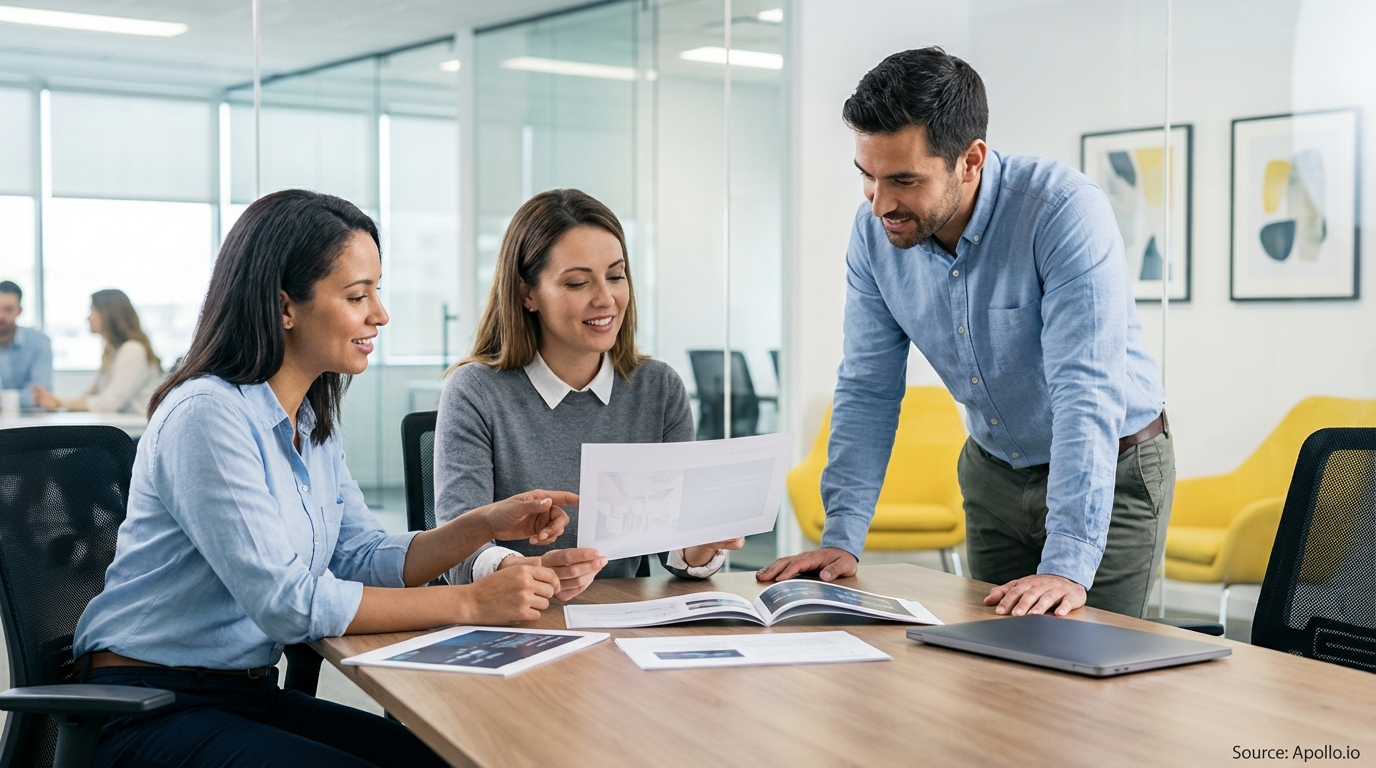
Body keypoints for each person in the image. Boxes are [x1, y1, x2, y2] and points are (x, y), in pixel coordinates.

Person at [73, 189, 570, 767]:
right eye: (358, 295)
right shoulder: (206, 416)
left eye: (376, 292)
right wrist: (471, 604)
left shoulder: (310, 419)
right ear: (285, 306)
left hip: (244, 694)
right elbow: (288, 604)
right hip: (147, 707)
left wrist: (481, 524)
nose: (379, 314)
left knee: (445, 758)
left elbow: (356, 553)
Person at [756, 47, 1172, 619]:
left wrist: (1067, 564)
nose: (880, 204)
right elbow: (867, 387)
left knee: (1096, 676)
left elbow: (1086, 391)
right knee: (992, 675)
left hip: (1113, 470)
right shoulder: (875, 233)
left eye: (903, 180)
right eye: (868, 178)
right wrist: (842, 537)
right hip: (993, 476)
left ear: (970, 160)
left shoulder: (1061, 212)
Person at [437, 188, 742, 600]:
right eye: (578, 282)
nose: (606, 299)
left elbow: (675, 546)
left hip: (625, 624)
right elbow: (455, 548)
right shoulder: (475, 391)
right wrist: (522, 571)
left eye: (615, 276)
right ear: (528, 294)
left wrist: (700, 545)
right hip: (518, 623)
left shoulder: (659, 388)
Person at [31, 289, 164, 414]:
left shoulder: (133, 350)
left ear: (109, 314)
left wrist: (58, 402)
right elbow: (91, 395)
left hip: (135, 432)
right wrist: (55, 402)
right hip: (121, 426)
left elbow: (111, 402)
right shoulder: (112, 351)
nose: (88, 318)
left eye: (93, 311)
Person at [0, 280, 53, 409]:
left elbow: (41, 395)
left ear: (19, 311)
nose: (1, 316)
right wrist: (20, 398)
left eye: (8, 309)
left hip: (30, 423)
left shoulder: (39, 341)